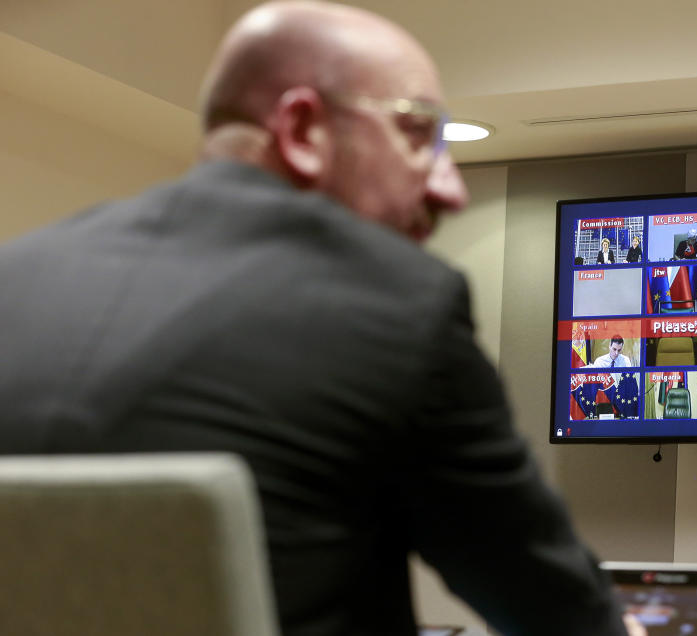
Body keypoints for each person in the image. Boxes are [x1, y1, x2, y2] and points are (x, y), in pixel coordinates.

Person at [0, 3, 630, 636]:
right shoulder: (397, 305)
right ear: (303, 130)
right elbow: (557, 613)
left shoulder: (16, 279)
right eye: (418, 136)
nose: (451, 190)